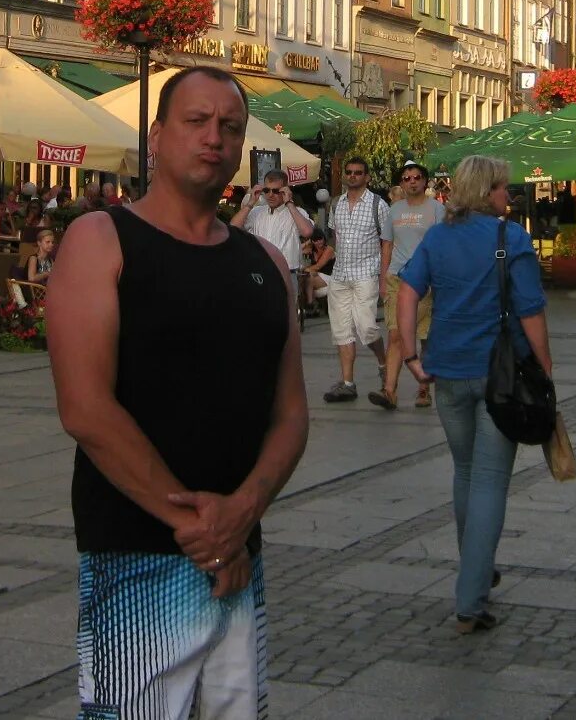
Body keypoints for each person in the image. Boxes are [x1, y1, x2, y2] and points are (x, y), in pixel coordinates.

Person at [46, 67, 307, 719]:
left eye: (229, 127)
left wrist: (243, 512)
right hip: (136, 555)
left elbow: (292, 414)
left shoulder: (265, 264)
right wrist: (200, 527)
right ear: (157, 137)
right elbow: (86, 408)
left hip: (235, 557)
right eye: (196, 122)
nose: (213, 138)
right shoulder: (102, 241)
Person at [396, 156, 550, 635]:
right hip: (499, 376)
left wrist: (408, 355)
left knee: (465, 473)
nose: (509, 195)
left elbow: (406, 290)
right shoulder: (511, 237)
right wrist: (545, 371)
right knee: (487, 481)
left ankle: (476, 567)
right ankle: (471, 598)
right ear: (487, 191)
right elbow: (530, 312)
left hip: (447, 373)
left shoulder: (438, 236)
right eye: (504, 187)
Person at [321, 160, 392, 404]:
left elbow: (387, 242)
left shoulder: (378, 205)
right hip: (340, 274)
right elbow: (334, 240)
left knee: (367, 327)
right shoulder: (336, 204)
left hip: (366, 273)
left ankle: (383, 363)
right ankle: (348, 383)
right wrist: (319, 266)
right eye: (349, 173)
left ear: (367, 177)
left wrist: (383, 277)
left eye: (358, 173)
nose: (352, 176)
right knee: (341, 331)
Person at [377, 161, 444, 409]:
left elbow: (441, 246)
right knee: (395, 335)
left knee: (423, 337)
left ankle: (423, 388)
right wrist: (383, 277)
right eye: (406, 178)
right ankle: (389, 391)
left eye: (416, 177)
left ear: (425, 182)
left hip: (425, 280)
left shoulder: (437, 210)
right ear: (401, 183)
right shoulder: (394, 211)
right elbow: (387, 245)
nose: (412, 181)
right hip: (397, 278)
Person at [235, 172, 315, 316]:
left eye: (276, 191)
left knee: (286, 321)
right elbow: (233, 229)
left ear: (285, 190)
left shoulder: (296, 212)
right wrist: (250, 203)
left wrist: (289, 203)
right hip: (259, 273)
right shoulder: (256, 212)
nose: (270, 195)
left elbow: (307, 232)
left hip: (286, 274)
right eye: (267, 190)